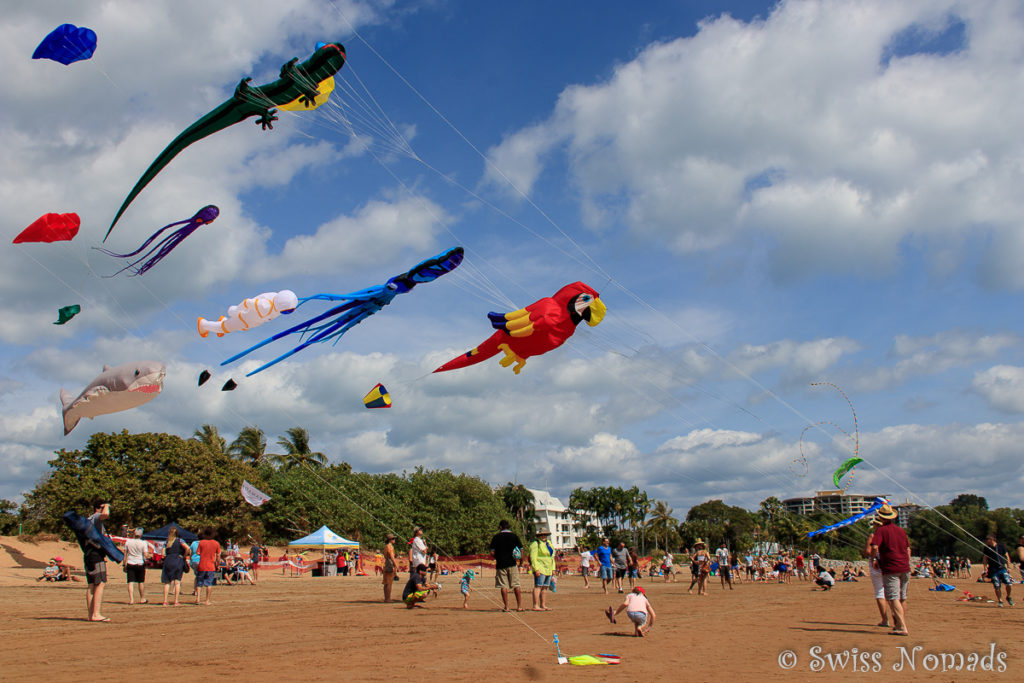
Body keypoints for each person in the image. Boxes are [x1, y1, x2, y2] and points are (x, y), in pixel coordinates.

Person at [869, 503, 911, 636]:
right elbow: (908, 548)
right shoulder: (901, 530)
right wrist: (906, 561)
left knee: (893, 598)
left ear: (881, 518)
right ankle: (898, 624)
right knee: (902, 597)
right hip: (905, 567)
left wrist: (874, 559)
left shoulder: (881, 531)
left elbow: (875, 546)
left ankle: (902, 626)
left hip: (891, 568)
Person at [81, 500, 111, 622]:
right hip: (96, 554)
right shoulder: (96, 517)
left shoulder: (87, 521)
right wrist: (107, 506)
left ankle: (91, 614)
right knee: (100, 582)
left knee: (91, 585)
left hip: (88, 554)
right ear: (99, 508)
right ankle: (96, 614)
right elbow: (105, 515)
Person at [489, 519, 524, 611]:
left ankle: (506, 606)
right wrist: (521, 560)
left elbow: (492, 552)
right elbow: (521, 549)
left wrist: (498, 557)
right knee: (516, 585)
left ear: (500, 527)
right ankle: (519, 606)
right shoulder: (514, 536)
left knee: (503, 586)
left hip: (501, 564)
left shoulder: (496, 537)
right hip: (512, 563)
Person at [863, 517, 889, 627]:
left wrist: (874, 557)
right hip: (888, 565)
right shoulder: (889, 535)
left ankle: (885, 620)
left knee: (880, 592)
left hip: (877, 566)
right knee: (892, 592)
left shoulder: (873, 536)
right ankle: (897, 619)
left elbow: (868, 551)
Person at [161, 526, 190, 606]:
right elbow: (188, 548)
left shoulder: (166, 542)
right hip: (178, 560)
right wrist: (184, 556)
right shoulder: (180, 540)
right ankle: (176, 601)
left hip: (168, 560)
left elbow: (163, 554)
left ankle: (165, 601)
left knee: (167, 582)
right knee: (177, 582)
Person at [982, 535, 1014, 607]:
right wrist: (985, 568)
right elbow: (985, 558)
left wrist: (1009, 566)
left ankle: (1008, 597)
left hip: (1002, 568)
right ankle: (1000, 600)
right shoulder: (987, 548)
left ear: (992, 539)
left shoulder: (1000, 546)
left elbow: (1006, 555)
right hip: (993, 570)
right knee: (997, 586)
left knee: (1008, 583)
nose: (987, 541)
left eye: (988, 539)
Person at [123, 527, 152, 605]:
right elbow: (145, 555)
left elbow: (125, 554)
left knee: (130, 582)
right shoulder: (143, 543)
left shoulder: (128, 542)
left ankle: (131, 599)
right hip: (139, 563)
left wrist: (124, 564)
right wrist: (148, 557)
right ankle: (142, 598)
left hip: (130, 562)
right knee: (141, 582)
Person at [528, 529, 555, 611]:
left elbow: (552, 557)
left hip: (548, 568)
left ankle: (543, 605)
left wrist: (553, 568)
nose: (544, 536)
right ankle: (535, 605)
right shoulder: (535, 544)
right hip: (540, 567)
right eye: (542, 535)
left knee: (545, 587)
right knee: (538, 586)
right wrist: (536, 569)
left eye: (545, 535)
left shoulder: (549, 544)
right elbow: (533, 558)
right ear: (538, 536)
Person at [195, 527, 221, 606]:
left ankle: (198, 599)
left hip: (202, 565)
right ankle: (207, 600)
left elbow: (198, 553)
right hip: (211, 566)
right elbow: (218, 556)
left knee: (199, 583)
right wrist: (218, 565)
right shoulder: (216, 543)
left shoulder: (201, 542)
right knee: (209, 584)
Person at [382, 533, 398, 602]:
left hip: (386, 564)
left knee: (386, 582)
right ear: (390, 540)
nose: (394, 540)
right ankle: (388, 598)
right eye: (393, 539)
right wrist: (395, 565)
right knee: (389, 582)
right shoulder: (390, 546)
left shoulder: (386, 546)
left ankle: (386, 598)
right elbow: (391, 556)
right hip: (389, 564)